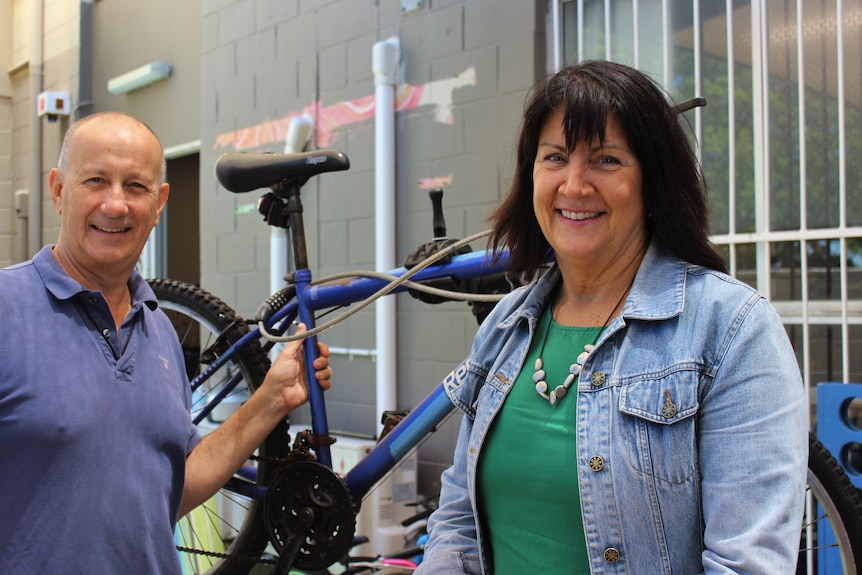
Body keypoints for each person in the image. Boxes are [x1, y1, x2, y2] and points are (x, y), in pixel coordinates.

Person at [417, 61, 808, 574]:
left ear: (653, 181)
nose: (574, 185)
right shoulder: (506, 325)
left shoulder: (732, 329)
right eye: (555, 157)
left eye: (605, 160)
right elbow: (458, 521)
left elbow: (747, 564)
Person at [0, 112, 332, 574]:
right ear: (58, 190)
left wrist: (273, 399)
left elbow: (171, 491)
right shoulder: (7, 309)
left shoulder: (158, 330)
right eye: (96, 180)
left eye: (135, 187)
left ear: (159, 204)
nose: (115, 204)